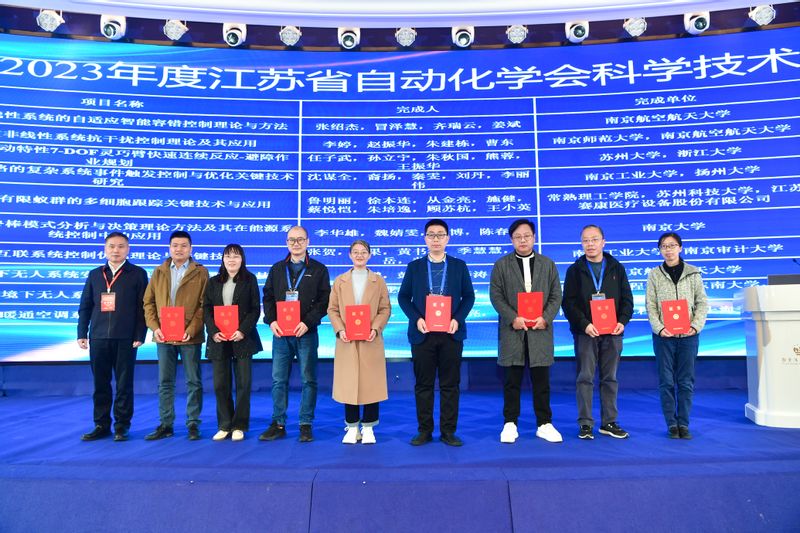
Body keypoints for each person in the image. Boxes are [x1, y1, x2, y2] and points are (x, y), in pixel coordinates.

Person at [398, 219, 475, 447]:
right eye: (431, 235)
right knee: (424, 385)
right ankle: (424, 431)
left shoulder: (459, 266)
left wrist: (457, 319)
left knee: (450, 385)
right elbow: (403, 297)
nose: (436, 239)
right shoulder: (415, 267)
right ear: (425, 239)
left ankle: (448, 431)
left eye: (440, 235)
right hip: (423, 334)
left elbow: (469, 296)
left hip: (451, 334)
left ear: (447, 239)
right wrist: (417, 319)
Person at [489, 218, 563, 444]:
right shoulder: (501, 265)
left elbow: (556, 295)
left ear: (534, 238)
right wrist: (513, 318)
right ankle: (510, 423)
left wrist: (545, 318)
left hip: (540, 330)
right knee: (511, 381)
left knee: (542, 381)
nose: (523, 240)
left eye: (527, 236)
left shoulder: (547, 264)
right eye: (518, 237)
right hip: (513, 330)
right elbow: (496, 296)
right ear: (511, 240)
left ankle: (544, 424)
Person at [562, 225, 634, 440]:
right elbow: (569, 303)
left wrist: (622, 321)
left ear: (603, 242)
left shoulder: (616, 268)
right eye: (585, 240)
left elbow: (627, 299)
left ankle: (609, 422)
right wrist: (584, 324)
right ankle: (585, 423)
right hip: (586, 333)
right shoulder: (574, 270)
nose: (590, 244)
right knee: (585, 378)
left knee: (610, 378)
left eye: (594, 239)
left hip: (613, 332)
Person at [260, 226, 330, 443]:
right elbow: (268, 297)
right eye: (292, 240)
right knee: (278, 380)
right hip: (281, 334)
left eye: (300, 239)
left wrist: (307, 322)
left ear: (308, 242)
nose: (296, 243)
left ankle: (305, 424)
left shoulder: (319, 269)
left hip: (306, 333)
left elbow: (324, 301)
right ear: (286, 242)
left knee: (308, 379)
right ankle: (278, 423)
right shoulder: (277, 269)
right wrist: (271, 321)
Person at [77, 232, 148, 442]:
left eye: (121, 246)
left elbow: (142, 307)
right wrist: (82, 333)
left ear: (128, 249)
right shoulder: (95, 274)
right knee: (101, 383)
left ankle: (122, 426)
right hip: (98, 337)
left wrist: (140, 334)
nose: (116, 250)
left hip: (126, 338)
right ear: (105, 249)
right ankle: (101, 425)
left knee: (124, 384)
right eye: (111, 246)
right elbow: (85, 306)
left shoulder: (137, 274)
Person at [143, 230, 209, 440]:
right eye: (175, 245)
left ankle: (193, 424)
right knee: (165, 382)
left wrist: (191, 329)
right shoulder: (159, 271)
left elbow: (204, 305)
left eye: (183, 245)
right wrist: (155, 327)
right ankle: (166, 424)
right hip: (164, 336)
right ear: (169, 248)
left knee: (193, 381)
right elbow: (148, 302)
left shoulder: (201, 272)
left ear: (191, 248)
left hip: (190, 336)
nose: (179, 249)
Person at [327, 240, 391, 444]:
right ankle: (352, 427)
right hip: (347, 340)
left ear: (370, 255)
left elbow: (385, 309)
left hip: (370, 339)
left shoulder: (378, 281)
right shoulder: (340, 281)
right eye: (355, 252)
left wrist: (375, 328)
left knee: (371, 384)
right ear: (349, 255)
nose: (360, 255)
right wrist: (340, 329)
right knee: (349, 383)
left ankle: (369, 427)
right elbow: (332, 309)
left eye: (364, 252)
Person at [646, 232, 708, 440]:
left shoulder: (693, 273)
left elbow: (702, 303)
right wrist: (659, 328)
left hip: (688, 336)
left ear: (680, 248)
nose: (668, 250)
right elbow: (650, 305)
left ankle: (684, 423)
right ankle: (672, 424)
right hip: (664, 337)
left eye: (672, 245)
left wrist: (695, 326)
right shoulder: (654, 274)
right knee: (666, 382)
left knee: (685, 381)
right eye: (664, 246)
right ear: (660, 250)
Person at [202, 244, 263, 442]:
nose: (231, 260)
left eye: (236, 256)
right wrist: (213, 332)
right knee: (221, 384)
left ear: (242, 259)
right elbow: (206, 309)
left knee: (243, 384)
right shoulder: (213, 281)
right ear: (222, 259)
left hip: (242, 338)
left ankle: (239, 425)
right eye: (228, 256)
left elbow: (255, 309)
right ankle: (224, 424)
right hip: (219, 339)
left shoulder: (249, 279)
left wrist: (242, 330)